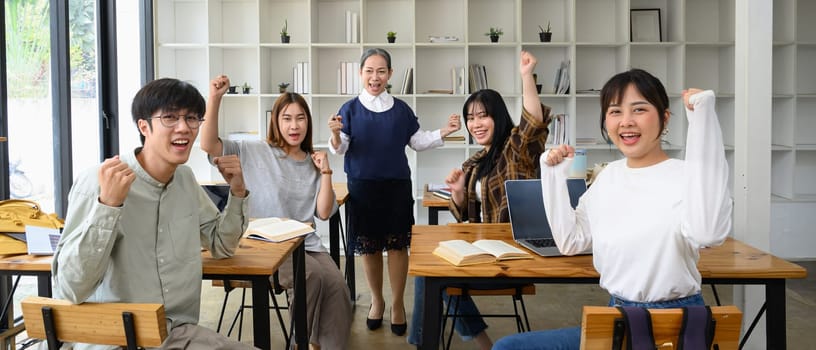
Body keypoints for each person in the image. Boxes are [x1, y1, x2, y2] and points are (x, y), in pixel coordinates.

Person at [492, 69, 733, 349]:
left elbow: (708, 233)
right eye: (615, 111)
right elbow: (571, 242)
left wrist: (703, 121)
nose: (626, 122)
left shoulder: (690, 175)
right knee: (509, 347)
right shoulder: (607, 177)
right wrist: (553, 177)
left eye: (639, 109)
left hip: (674, 327)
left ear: (664, 118)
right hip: (617, 317)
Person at [52, 78, 257, 350]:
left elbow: (221, 245)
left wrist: (238, 191)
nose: (183, 127)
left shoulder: (184, 179)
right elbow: (71, 288)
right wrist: (108, 206)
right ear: (144, 126)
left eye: (192, 118)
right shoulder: (100, 181)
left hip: (177, 335)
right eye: (170, 117)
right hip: (115, 340)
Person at [408, 51, 551, 349]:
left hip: (513, 256)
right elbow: (465, 222)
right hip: (484, 250)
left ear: (497, 116)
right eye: (470, 118)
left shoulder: (515, 150)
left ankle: (426, 343)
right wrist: (459, 192)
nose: (476, 124)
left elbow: (533, 123)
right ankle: (473, 343)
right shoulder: (474, 163)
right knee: (427, 268)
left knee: (434, 275)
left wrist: (527, 76)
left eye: (483, 115)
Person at [200, 75, 352, 349]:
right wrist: (215, 98)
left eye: (300, 118)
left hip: (306, 244)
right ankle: (302, 343)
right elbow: (209, 146)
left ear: (308, 122)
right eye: (287, 118)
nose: (294, 126)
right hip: (266, 244)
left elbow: (325, 212)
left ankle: (328, 345)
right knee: (312, 277)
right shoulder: (255, 150)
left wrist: (327, 171)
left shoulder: (313, 162)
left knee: (338, 286)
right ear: (276, 122)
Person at [328, 48, 461, 336]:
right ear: (361, 73)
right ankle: (377, 301)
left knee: (398, 246)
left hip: (397, 187)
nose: (374, 77)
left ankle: (398, 304)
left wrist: (444, 132)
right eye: (369, 71)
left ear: (390, 74)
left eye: (380, 71)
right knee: (369, 247)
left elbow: (417, 141)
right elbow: (340, 149)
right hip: (362, 188)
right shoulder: (349, 109)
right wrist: (335, 134)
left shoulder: (401, 109)